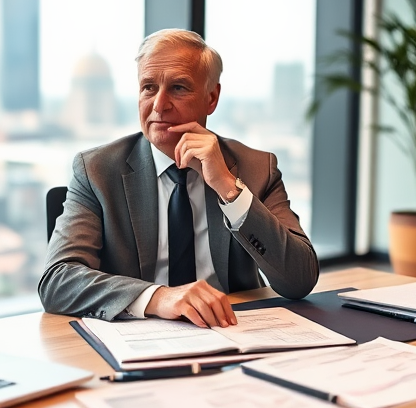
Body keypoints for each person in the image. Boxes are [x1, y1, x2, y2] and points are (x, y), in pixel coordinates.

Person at [38, 29, 318, 328]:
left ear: (212, 98)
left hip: (232, 329)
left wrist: (227, 186)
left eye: (178, 88)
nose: (159, 104)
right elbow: (58, 280)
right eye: (148, 87)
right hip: (138, 335)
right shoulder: (96, 170)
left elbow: (299, 280)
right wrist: (160, 297)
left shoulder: (257, 167)